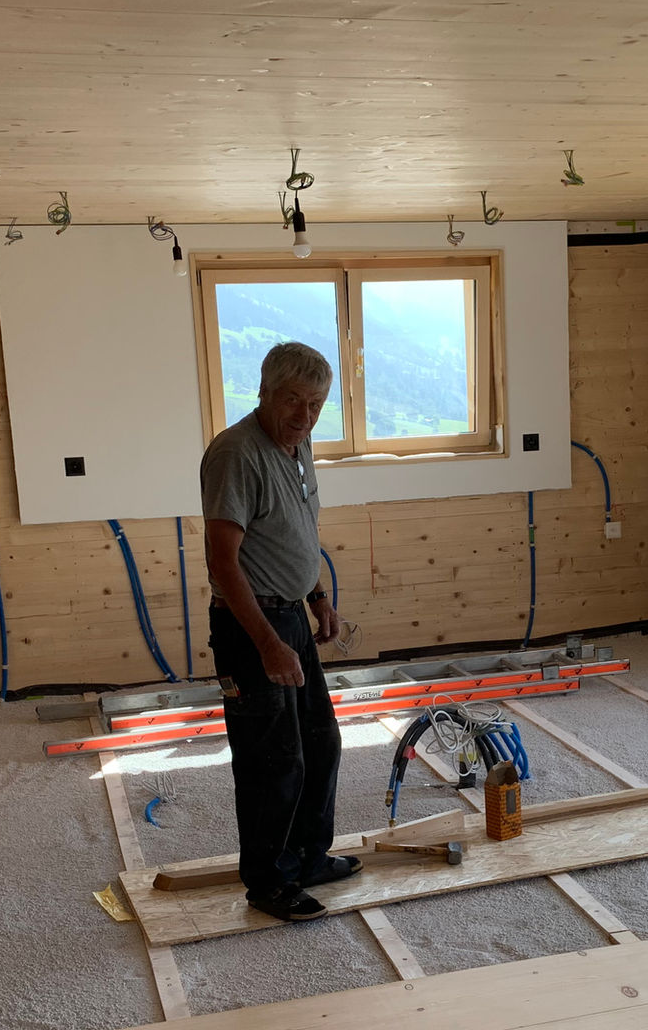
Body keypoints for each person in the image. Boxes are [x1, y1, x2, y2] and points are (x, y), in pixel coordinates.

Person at [200, 341, 358, 921]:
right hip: (251, 627)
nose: (303, 414)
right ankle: (268, 884)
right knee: (273, 759)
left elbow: (296, 531)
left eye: (315, 403)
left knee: (320, 742)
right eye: (292, 399)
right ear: (264, 392)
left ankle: (308, 857)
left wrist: (318, 598)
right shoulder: (236, 454)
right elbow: (223, 563)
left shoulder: (299, 444)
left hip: (290, 612)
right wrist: (268, 642)